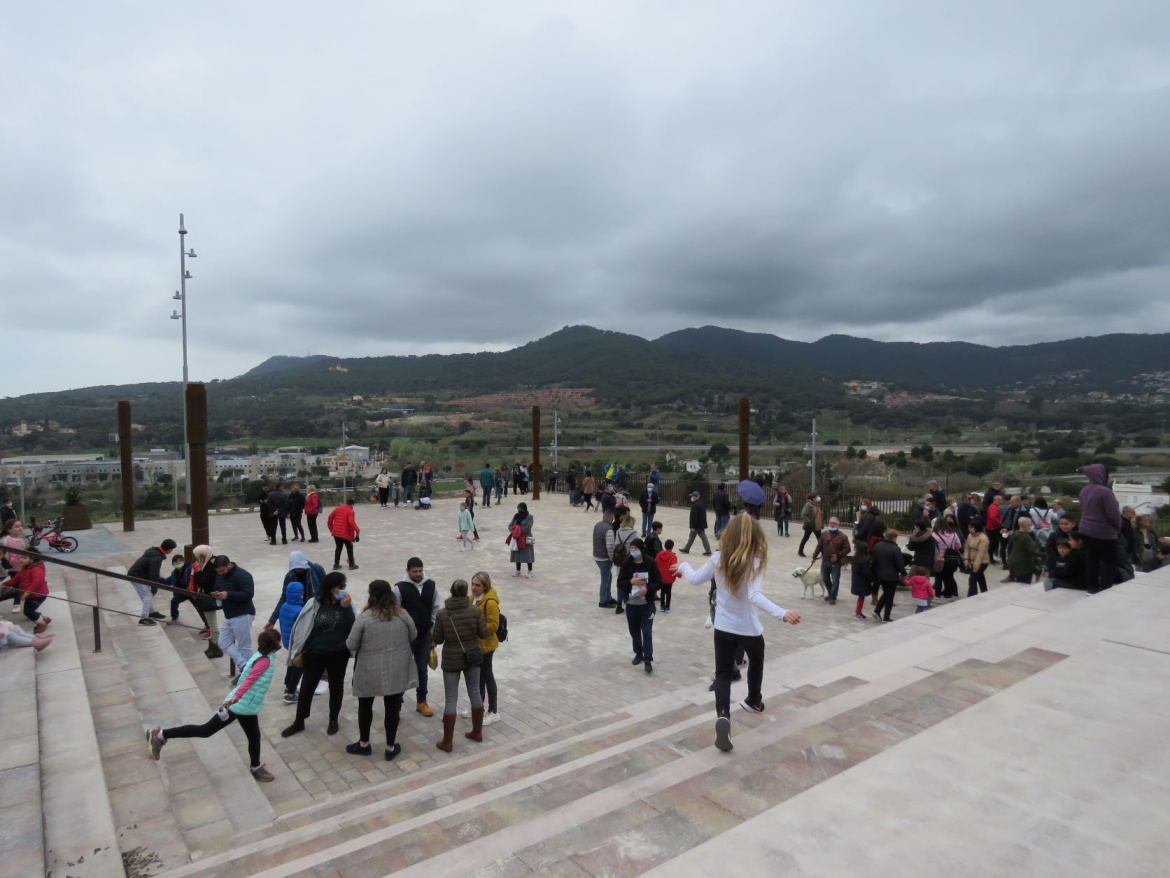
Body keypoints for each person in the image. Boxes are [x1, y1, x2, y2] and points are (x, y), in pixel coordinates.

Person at [674, 514, 800, 752]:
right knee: (756, 661)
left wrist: (682, 566)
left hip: (723, 628)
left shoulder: (718, 558)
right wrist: (782, 613)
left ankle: (723, 715)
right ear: (755, 536)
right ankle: (754, 700)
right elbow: (754, 595)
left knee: (722, 674)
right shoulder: (755, 560)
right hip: (749, 630)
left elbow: (694, 580)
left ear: (727, 533)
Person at [149, 629, 280, 783]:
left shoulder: (262, 655)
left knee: (254, 736)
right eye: (278, 641)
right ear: (273, 645)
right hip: (241, 705)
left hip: (247, 704)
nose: (280, 643)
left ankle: (256, 767)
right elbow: (249, 680)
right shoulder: (264, 661)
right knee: (205, 730)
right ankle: (159, 735)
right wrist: (235, 698)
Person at [345, 580, 418, 760]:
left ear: (372, 595)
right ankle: (390, 747)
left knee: (365, 706)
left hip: (369, 669)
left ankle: (364, 744)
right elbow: (413, 635)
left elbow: (351, 644)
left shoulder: (364, 618)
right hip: (396, 669)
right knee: (392, 708)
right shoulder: (402, 615)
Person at [281, 572, 355, 738]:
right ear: (329, 588)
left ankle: (333, 719)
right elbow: (302, 628)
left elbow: (353, 627)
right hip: (315, 654)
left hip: (338, 654)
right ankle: (299, 721)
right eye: (339, 586)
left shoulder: (346, 604)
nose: (343, 589)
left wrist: (347, 607)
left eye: (344, 586)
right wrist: (304, 648)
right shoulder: (313, 604)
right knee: (307, 687)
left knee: (336, 686)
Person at [431, 580, 489, 753]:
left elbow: (439, 639)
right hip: (472, 657)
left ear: (451, 591)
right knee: (475, 692)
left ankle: (447, 741)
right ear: (466, 592)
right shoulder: (475, 610)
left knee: (451, 698)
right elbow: (483, 633)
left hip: (451, 659)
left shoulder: (442, 614)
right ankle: (477, 732)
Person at [396, 558, 441, 717]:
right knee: (402, 670)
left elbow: (435, 608)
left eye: (420, 571)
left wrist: (432, 627)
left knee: (422, 669)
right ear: (407, 570)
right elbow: (395, 611)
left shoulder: (431, 585)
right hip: (406, 638)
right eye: (415, 571)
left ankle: (421, 701)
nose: (418, 574)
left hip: (424, 636)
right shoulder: (399, 588)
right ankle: (397, 705)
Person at [617, 538, 661, 673]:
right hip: (631, 604)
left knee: (647, 632)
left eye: (635, 548)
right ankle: (638, 653)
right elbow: (620, 583)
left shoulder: (650, 563)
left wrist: (647, 589)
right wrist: (631, 581)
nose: (633, 551)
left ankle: (648, 660)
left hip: (647, 604)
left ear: (641, 549)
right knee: (634, 631)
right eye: (632, 548)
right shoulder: (626, 564)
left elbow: (659, 582)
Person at [1078, 464, 1121, 594]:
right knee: (1109, 561)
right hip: (1104, 532)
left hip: (1085, 529)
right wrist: (1117, 528)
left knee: (1091, 559)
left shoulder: (1084, 489)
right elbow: (1113, 514)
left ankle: (1091, 588)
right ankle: (1105, 588)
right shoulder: (1105, 491)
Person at [467, 572, 501, 725]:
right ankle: (478, 706)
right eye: (472, 584)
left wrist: (476, 629)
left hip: (486, 646)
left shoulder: (490, 603)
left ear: (485, 587)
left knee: (487, 677)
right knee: (478, 677)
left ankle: (493, 711)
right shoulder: (473, 598)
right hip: (476, 645)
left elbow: (494, 625)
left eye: (477, 585)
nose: (473, 587)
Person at [212, 555, 256, 670]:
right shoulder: (219, 575)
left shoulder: (243, 575)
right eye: (218, 571)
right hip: (229, 614)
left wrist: (228, 595)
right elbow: (217, 586)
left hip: (243, 613)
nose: (221, 573)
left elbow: (248, 594)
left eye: (222, 570)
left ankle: (249, 671)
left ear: (229, 564)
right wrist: (217, 594)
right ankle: (244, 666)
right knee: (223, 642)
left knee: (244, 646)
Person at [127, 539, 177, 626]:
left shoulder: (154, 552)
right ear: (169, 549)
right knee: (147, 596)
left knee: (147, 595)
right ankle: (144, 619)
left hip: (138, 575)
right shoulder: (157, 558)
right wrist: (154, 589)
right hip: (137, 576)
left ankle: (151, 612)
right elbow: (153, 574)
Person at [190, 545, 222, 657]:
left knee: (212, 624)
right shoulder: (209, 563)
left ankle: (215, 647)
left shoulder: (211, 566)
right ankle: (212, 645)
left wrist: (198, 570)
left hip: (209, 597)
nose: (196, 559)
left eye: (198, 556)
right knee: (210, 623)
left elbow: (202, 582)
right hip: (206, 596)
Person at [810, 517, 850, 605]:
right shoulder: (824, 534)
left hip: (836, 563)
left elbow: (848, 549)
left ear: (838, 525)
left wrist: (838, 555)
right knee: (825, 578)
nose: (832, 524)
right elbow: (819, 546)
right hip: (825, 561)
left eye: (834, 523)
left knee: (835, 579)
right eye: (830, 523)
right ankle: (832, 593)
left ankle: (833, 596)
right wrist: (814, 557)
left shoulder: (843, 536)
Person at [9, 553, 51, 633]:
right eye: (20, 557)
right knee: (29, 611)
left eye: (24, 557)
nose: (21, 560)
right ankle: (44, 618)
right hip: (31, 595)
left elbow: (37, 582)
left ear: (32, 560)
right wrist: (2, 585)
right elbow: (15, 580)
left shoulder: (37, 569)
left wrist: (26, 594)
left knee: (28, 612)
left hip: (38, 595)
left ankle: (42, 624)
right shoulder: (25, 569)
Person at [872, 529, 906, 623]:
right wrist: (904, 573)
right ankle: (886, 617)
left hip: (880, 575)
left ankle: (877, 611)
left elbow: (874, 562)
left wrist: (874, 575)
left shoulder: (877, 546)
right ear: (894, 537)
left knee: (886, 593)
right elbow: (899, 564)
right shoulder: (895, 549)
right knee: (889, 596)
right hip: (891, 576)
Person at [607, 514, 639, 613]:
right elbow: (638, 545)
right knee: (631, 583)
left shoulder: (618, 531)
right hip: (630, 560)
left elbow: (616, 544)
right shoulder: (633, 533)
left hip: (620, 560)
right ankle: (630, 603)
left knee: (620, 583)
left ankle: (619, 604)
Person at [931, 516, 962, 599]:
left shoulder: (934, 535)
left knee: (938, 577)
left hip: (939, 559)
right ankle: (948, 594)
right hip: (952, 559)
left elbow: (932, 547)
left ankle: (937, 594)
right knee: (949, 577)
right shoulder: (954, 534)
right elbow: (958, 546)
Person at [327, 498, 360, 571]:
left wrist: (331, 529)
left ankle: (336, 564)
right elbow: (351, 522)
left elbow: (329, 518)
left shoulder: (337, 509)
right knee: (349, 548)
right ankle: (351, 564)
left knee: (338, 548)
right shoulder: (350, 511)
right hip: (346, 534)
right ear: (352, 505)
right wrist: (357, 530)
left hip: (336, 533)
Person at [593, 511, 617, 608]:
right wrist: (612, 559)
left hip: (597, 556)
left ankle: (608, 597)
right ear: (612, 519)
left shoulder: (597, 525)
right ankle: (603, 601)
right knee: (605, 579)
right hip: (604, 558)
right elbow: (610, 546)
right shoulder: (609, 529)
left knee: (608, 577)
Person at [2, 518, 26, 613]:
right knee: (14, 585)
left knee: (19, 585)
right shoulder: (5, 540)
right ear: (9, 530)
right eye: (17, 526)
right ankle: (16, 603)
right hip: (8, 568)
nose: (20, 528)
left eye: (20, 526)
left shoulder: (23, 540)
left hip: (20, 567)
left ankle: (18, 602)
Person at [1006, 518, 1041, 584]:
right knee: (1025, 584)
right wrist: (1045, 554)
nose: (1030, 527)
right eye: (1029, 525)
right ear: (1024, 526)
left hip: (1013, 562)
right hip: (1024, 564)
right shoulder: (1026, 537)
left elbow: (1009, 547)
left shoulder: (1015, 533)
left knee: (1017, 584)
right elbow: (1031, 551)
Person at [963, 521, 991, 596]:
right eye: (969, 527)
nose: (969, 529)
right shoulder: (970, 536)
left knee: (972, 579)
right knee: (980, 578)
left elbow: (981, 553)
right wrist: (966, 558)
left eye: (971, 528)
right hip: (972, 560)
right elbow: (967, 548)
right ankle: (985, 592)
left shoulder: (983, 538)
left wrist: (976, 566)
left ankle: (971, 596)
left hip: (982, 561)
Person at [680, 491, 713, 556]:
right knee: (703, 537)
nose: (691, 498)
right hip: (701, 524)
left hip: (696, 525)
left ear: (695, 497)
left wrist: (692, 526)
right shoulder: (701, 504)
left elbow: (694, 517)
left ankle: (686, 549)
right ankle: (708, 550)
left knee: (691, 537)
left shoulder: (695, 505)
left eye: (692, 496)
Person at [508, 503, 535, 577]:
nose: (520, 510)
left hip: (526, 538)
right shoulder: (516, 516)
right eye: (518, 509)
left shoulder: (530, 517)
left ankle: (530, 571)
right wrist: (514, 531)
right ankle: (518, 570)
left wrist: (518, 530)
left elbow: (528, 527)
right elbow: (510, 525)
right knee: (517, 554)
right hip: (516, 538)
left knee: (528, 555)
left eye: (521, 509)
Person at [849, 541, 874, 620]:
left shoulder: (855, 559)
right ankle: (858, 613)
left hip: (856, 581)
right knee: (861, 597)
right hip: (862, 582)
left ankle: (858, 611)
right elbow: (867, 573)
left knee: (860, 597)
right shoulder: (864, 561)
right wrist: (873, 578)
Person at [656, 538, 678, 614]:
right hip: (669, 578)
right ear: (672, 547)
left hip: (661, 577)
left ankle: (662, 605)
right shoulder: (673, 556)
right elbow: (673, 568)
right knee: (668, 592)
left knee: (662, 591)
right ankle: (667, 606)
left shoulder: (659, 554)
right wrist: (679, 574)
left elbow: (655, 564)